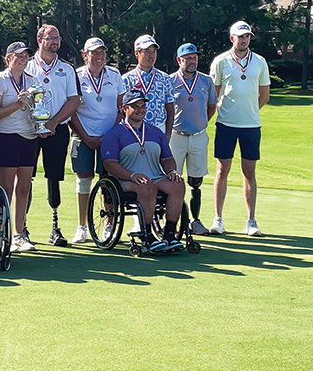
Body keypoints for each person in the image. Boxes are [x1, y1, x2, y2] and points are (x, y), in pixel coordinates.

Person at [100, 90, 185, 253]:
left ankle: (169, 235)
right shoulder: (114, 134)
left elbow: (167, 158)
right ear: (124, 108)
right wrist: (131, 175)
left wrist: (172, 171)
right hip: (126, 179)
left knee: (178, 185)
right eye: (135, 106)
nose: (140, 110)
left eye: (143, 106)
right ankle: (147, 237)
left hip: (155, 175)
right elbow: (110, 164)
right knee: (147, 188)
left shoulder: (155, 132)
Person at [209, 20, 270, 236]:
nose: (244, 40)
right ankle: (218, 219)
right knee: (221, 170)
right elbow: (213, 95)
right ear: (231, 38)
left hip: (251, 125)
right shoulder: (221, 61)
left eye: (247, 36)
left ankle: (251, 221)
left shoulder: (260, 62)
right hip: (225, 124)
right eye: (240, 36)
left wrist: (249, 111)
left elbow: (264, 96)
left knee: (249, 172)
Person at [25, 24, 80, 247]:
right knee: (25, 177)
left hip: (57, 131)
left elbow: (74, 100)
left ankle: (55, 227)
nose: (55, 42)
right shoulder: (27, 67)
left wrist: (53, 123)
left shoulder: (66, 69)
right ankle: (22, 227)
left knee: (54, 177)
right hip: (28, 131)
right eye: (50, 38)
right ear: (40, 40)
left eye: (57, 38)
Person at [68, 37, 124, 244]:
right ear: (85, 55)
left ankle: (108, 224)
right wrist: (86, 137)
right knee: (83, 180)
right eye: (94, 53)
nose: (99, 57)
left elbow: (121, 108)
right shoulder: (76, 76)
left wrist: (111, 135)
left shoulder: (115, 74)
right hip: (83, 136)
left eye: (102, 53)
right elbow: (71, 110)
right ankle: (82, 226)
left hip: (109, 137)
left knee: (107, 180)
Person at [0, 41, 40, 252]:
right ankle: (4, 231)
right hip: (6, 137)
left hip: (29, 137)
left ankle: (19, 234)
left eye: (25, 56)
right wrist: (17, 104)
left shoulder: (32, 80)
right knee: (6, 188)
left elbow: (38, 108)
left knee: (24, 188)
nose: (22, 60)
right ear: (8, 58)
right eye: (18, 56)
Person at [169, 43, 217, 235]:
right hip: (176, 136)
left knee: (196, 181)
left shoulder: (206, 81)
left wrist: (201, 122)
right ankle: (172, 221)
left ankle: (195, 221)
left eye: (194, 57)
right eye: (187, 58)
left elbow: (212, 106)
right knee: (173, 180)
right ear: (179, 60)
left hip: (198, 136)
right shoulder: (170, 80)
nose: (192, 61)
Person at [122, 34, 175, 141]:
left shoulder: (165, 78)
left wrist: (168, 135)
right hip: (133, 131)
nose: (151, 56)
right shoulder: (126, 79)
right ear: (137, 53)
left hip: (158, 129)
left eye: (153, 51)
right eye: (147, 52)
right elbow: (122, 110)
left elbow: (170, 109)